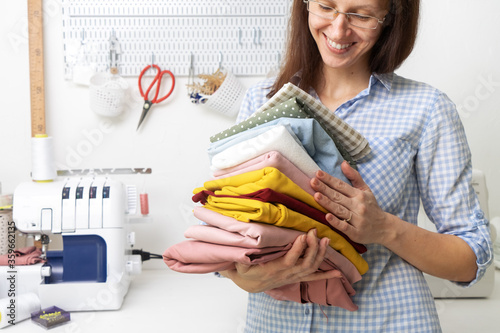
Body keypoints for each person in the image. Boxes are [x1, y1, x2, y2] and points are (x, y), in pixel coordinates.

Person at [219, 0, 493, 332]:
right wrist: (248, 277)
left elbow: (470, 260)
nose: (338, 29)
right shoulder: (260, 101)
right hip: (275, 323)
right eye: (325, 6)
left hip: (388, 321)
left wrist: (383, 229)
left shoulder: (427, 109)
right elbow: (231, 234)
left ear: (390, 18)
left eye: (361, 14)